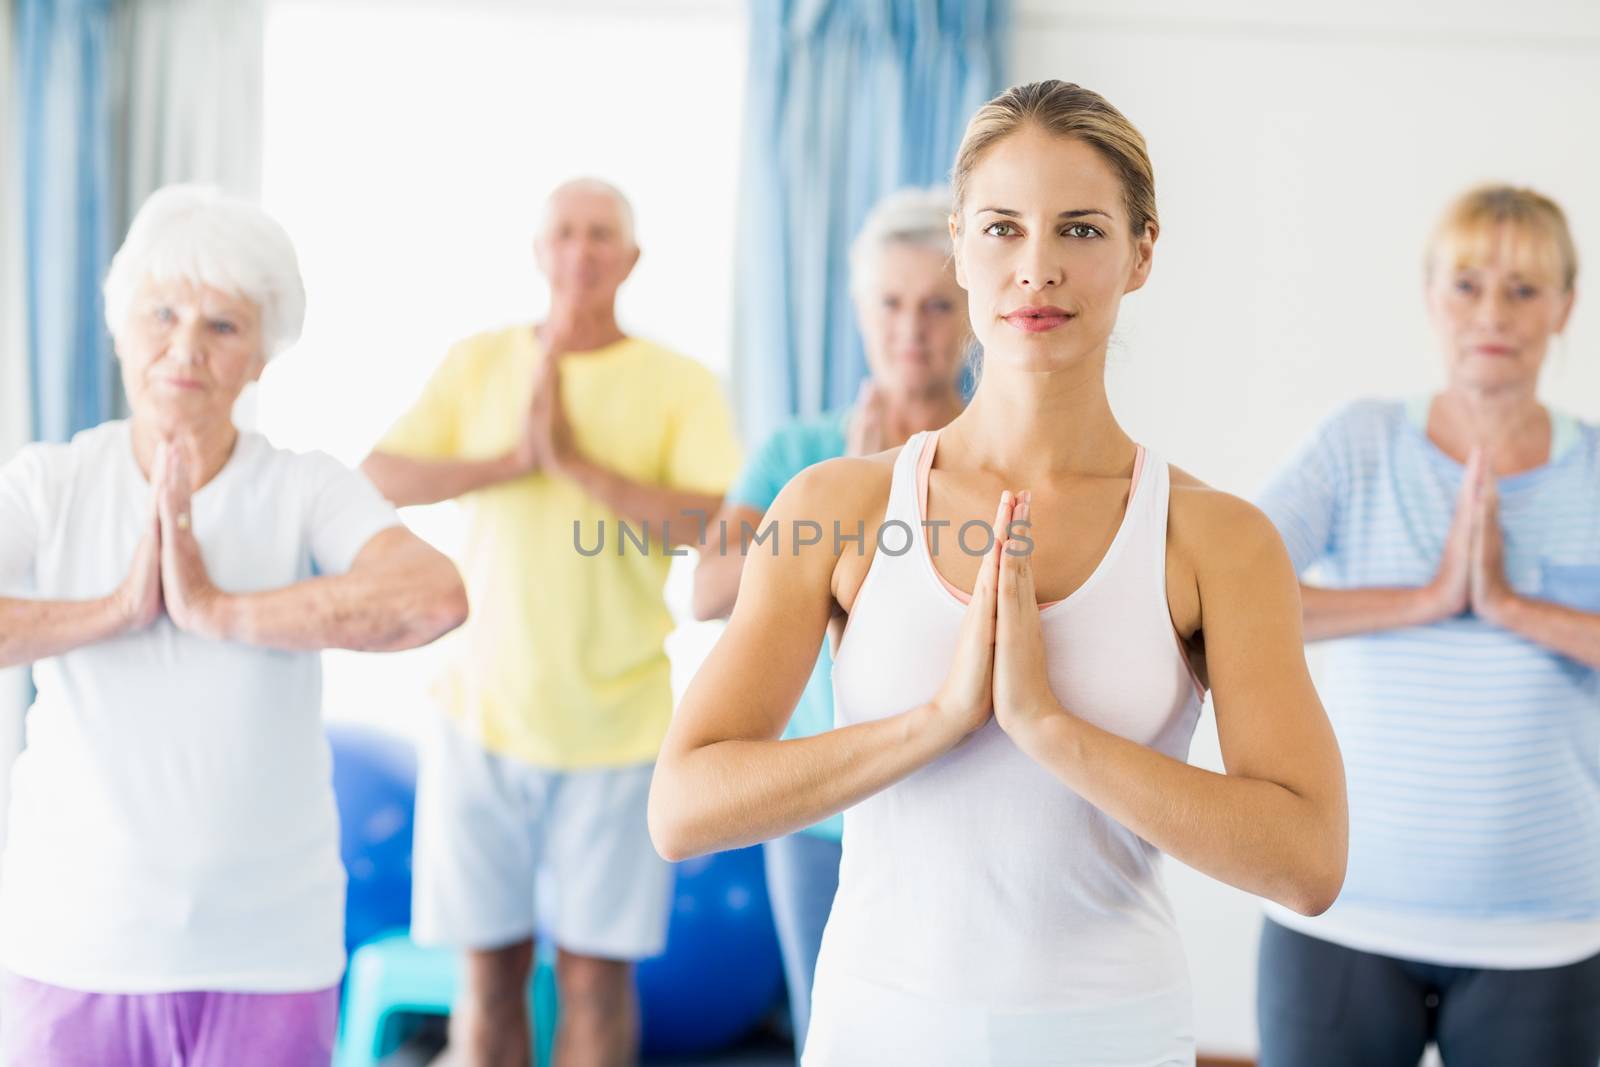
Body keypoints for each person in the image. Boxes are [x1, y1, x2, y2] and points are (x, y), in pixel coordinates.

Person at [649, 80, 1348, 1065]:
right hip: (877, 1022)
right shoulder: (834, 504)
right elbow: (682, 806)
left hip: (1109, 1027)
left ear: (1140, 252)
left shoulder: (1214, 538)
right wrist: (931, 723)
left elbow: (1306, 859)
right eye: (1002, 228)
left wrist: (1049, 728)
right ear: (959, 246)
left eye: (1079, 229)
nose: (1037, 268)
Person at [0, 184, 468, 1067]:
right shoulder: (51, 482)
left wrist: (220, 608)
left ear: (261, 355)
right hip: (74, 945)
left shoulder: (306, 486)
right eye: (163, 314)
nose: (186, 349)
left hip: (268, 953)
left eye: (223, 326)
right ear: (121, 326)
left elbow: (434, 596)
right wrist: (114, 610)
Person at [361, 177, 742, 1067]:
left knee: (594, 980)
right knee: (489, 975)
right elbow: (379, 475)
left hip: (618, 726)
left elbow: (717, 529)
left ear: (632, 258)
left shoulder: (678, 383)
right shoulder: (479, 361)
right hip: (480, 716)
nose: (582, 250)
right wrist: (509, 460)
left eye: (602, 234)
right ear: (539, 252)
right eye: (564, 233)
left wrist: (575, 463)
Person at [1254, 185, 1600, 1067]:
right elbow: (1232, 598)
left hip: (1547, 932)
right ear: (1430, 297)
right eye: (1467, 284)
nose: (1493, 312)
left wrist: (1514, 606)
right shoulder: (1359, 442)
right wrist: (1426, 599)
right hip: (1343, 909)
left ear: (1565, 304)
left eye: (1525, 289)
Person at [692, 186, 968, 1059]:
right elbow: (709, 589)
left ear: (972, 318)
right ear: (858, 310)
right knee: (834, 1033)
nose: (911, 328)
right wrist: (852, 486)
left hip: (958, 797)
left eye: (936, 304)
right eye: (890, 303)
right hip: (820, 806)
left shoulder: (994, 456)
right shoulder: (796, 453)